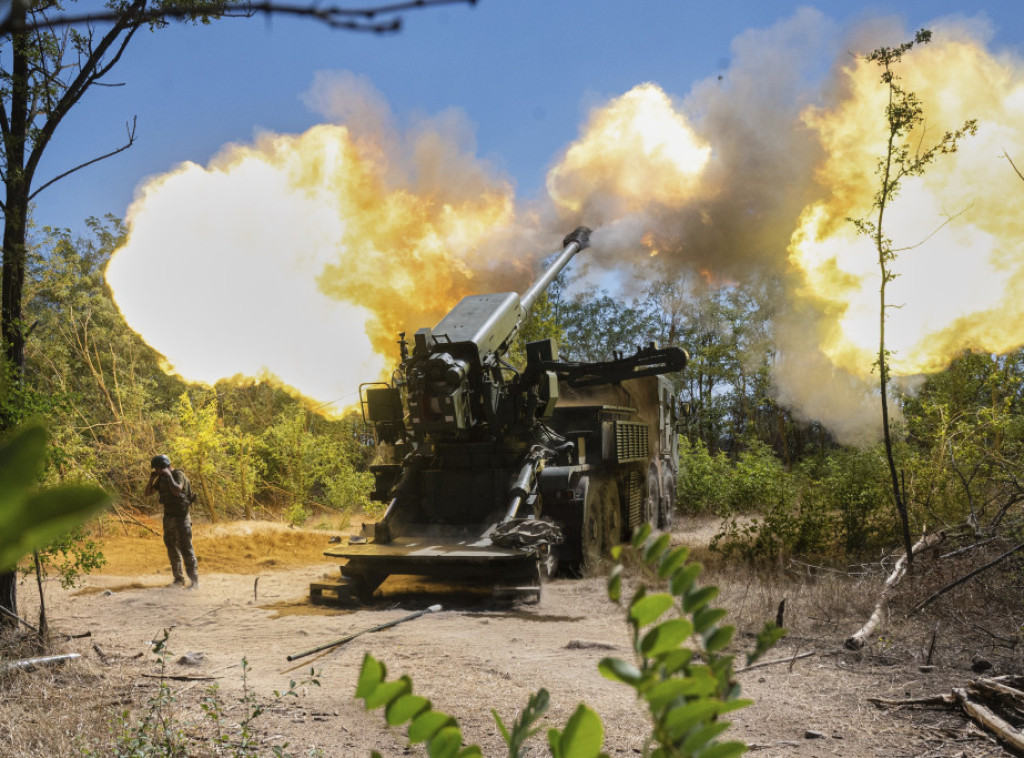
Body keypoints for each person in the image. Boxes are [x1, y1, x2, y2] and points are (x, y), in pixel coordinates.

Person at [145, 454, 199, 589]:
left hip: (181, 517)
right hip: (169, 517)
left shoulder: (178, 474)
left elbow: (177, 491)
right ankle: (178, 579)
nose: (156, 471)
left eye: (157, 468)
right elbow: (147, 493)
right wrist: (152, 479)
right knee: (171, 547)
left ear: (163, 466)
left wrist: (169, 476)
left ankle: (194, 581)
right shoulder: (161, 478)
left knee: (186, 547)